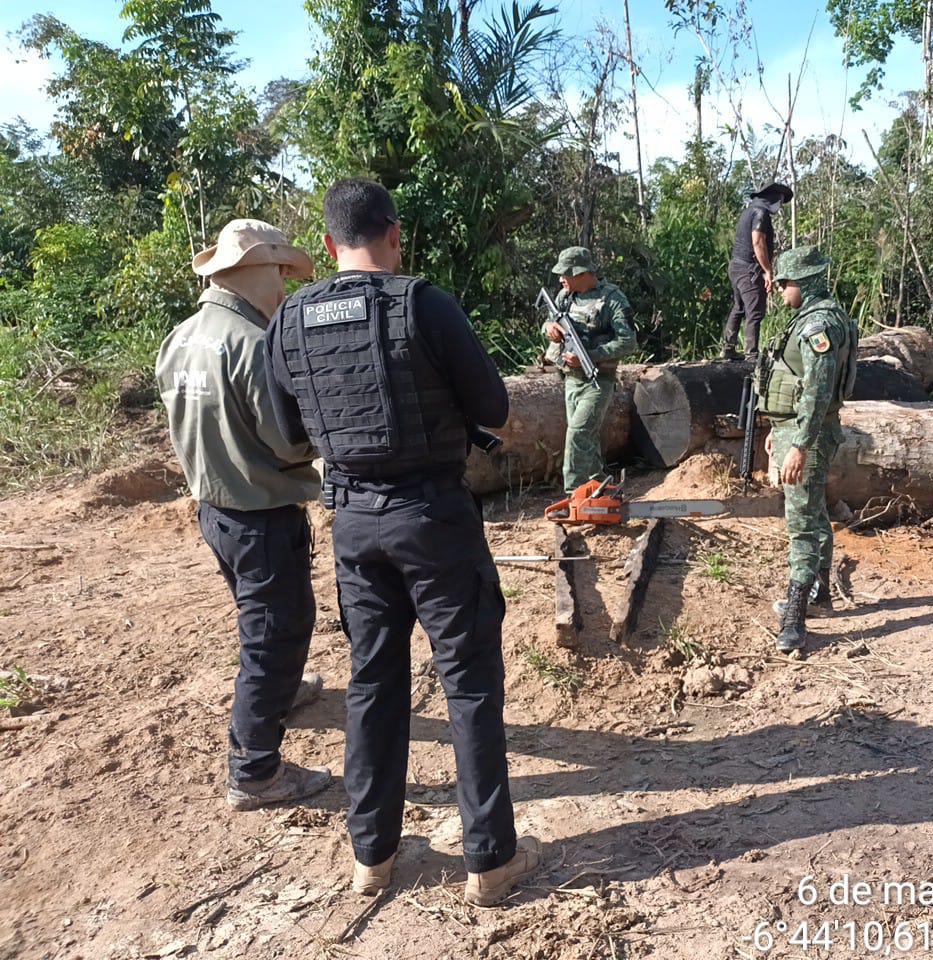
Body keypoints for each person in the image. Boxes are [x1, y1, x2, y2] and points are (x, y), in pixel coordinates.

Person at [264, 178, 540, 904]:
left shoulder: (289, 319)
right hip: (434, 519)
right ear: (394, 234)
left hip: (353, 524)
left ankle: (372, 857)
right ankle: (489, 862)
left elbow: (290, 432)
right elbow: (493, 406)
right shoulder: (423, 303)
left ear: (327, 245)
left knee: (373, 683)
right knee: (470, 685)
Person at [155, 218, 332, 811]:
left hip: (214, 509)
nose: (284, 285)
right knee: (277, 632)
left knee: (260, 621)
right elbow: (286, 442)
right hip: (261, 514)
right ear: (254, 272)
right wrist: (325, 437)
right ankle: (255, 770)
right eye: (280, 271)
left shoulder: (182, 337)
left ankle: (282, 694)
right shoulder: (252, 345)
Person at [755, 246, 857, 653]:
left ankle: (795, 619)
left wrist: (798, 444)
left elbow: (816, 392)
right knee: (814, 514)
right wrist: (778, 430)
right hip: (795, 430)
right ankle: (821, 595)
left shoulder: (818, 325)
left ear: (807, 282)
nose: (780, 291)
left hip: (806, 436)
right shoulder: (819, 318)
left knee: (799, 522)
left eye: (785, 284)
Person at [542, 246, 638, 493]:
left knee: (577, 433)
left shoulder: (613, 299)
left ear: (582, 272)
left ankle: (573, 492)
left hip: (598, 380)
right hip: (571, 379)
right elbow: (549, 322)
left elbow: (628, 341)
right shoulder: (566, 296)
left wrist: (591, 356)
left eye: (566, 273)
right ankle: (599, 487)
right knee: (588, 437)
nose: (561, 278)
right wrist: (549, 328)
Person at [721, 182, 793, 362]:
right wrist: (768, 270)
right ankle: (751, 354)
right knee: (755, 311)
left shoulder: (749, 211)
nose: (780, 206)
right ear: (774, 198)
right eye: (780, 201)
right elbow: (758, 242)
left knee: (739, 307)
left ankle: (728, 348)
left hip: (736, 266)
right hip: (748, 268)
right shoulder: (761, 213)